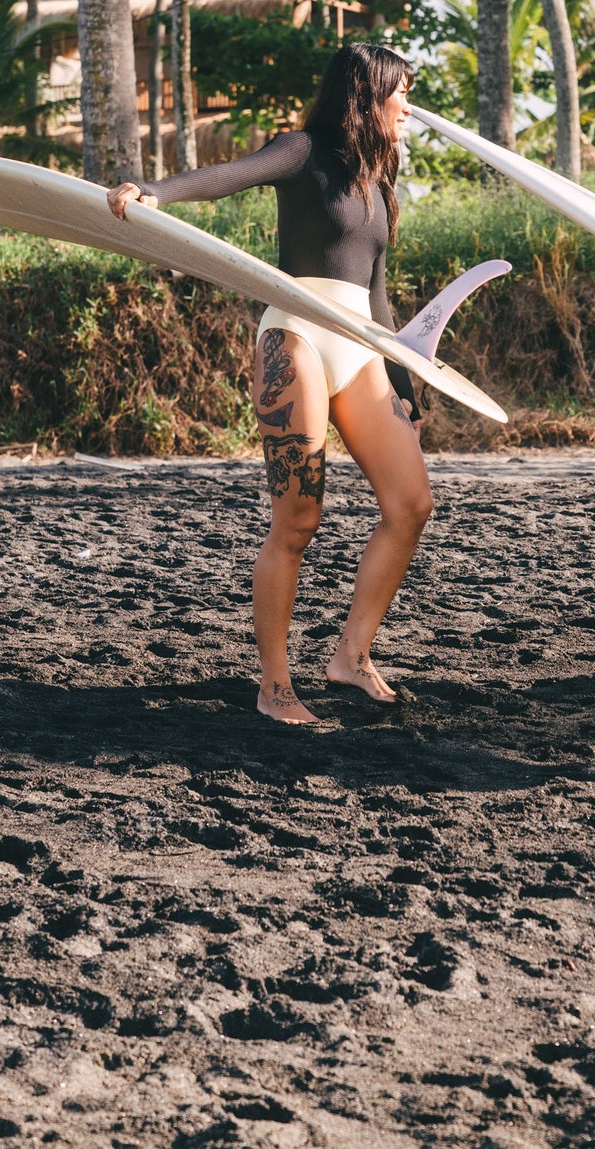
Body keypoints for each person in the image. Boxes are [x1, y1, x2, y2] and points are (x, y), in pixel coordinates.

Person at [108, 42, 433, 724]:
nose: (409, 107)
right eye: (401, 93)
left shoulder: (380, 179)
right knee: (299, 519)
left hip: (359, 347)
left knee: (411, 504)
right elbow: (228, 176)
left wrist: (406, 382)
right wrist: (154, 193)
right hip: (296, 338)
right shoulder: (303, 150)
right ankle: (276, 684)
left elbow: (376, 297)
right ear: (368, 94)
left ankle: (351, 655)